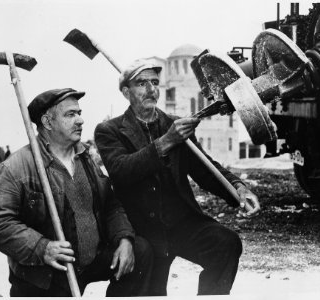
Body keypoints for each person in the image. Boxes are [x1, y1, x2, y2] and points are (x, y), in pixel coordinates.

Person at [94, 59, 261, 296]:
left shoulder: (173, 124)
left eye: (154, 82)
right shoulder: (109, 130)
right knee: (148, 292)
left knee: (226, 243)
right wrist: (166, 142)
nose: (151, 89)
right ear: (125, 92)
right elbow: (121, 171)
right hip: (143, 231)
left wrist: (238, 188)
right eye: (142, 83)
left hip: (182, 225)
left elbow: (206, 170)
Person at [0, 88, 153, 297]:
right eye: (71, 114)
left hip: (90, 261)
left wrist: (124, 239)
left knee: (141, 251)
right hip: (47, 272)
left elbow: (111, 204)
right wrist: (41, 248)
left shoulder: (85, 157)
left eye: (79, 113)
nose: (81, 120)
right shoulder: (16, 166)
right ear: (47, 122)